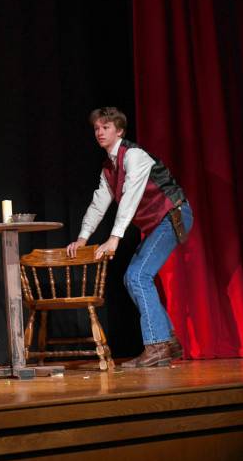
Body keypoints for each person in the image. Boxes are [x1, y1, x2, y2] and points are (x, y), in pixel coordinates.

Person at [66, 107, 193, 368]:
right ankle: (168, 341)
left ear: (119, 131)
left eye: (106, 127)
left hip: (173, 215)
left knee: (138, 276)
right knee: (132, 277)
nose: (100, 132)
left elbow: (131, 199)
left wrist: (114, 238)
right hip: (160, 222)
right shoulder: (108, 168)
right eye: (97, 128)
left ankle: (157, 345)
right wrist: (82, 237)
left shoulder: (134, 156)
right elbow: (98, 204)